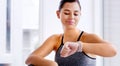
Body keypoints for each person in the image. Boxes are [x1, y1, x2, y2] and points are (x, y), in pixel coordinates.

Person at [25, 0, 117, 66]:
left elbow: (113, 51)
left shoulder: (87, 38)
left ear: (80, 15)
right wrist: (51, 64)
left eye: (76, 14)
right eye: (66, 13)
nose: (71, 17)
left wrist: (79, 46)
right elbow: (30, 59)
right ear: (58, 14)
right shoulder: (56, 40)